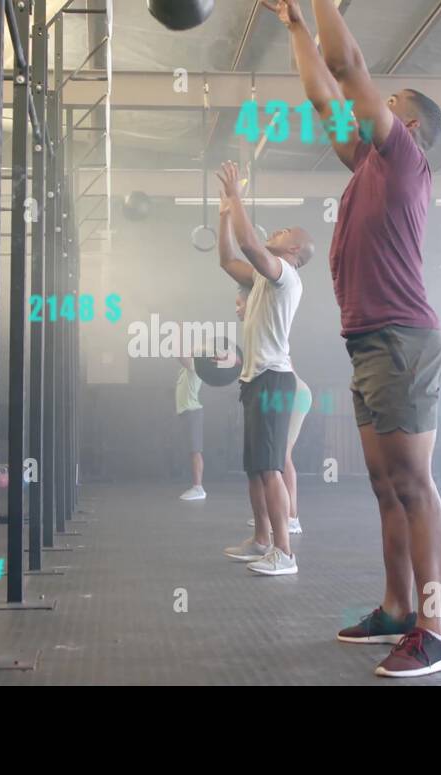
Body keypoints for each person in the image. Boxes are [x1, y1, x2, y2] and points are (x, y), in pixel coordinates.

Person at [268, 0, 441, 677]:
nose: (376, 97)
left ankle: (436, 629)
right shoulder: (367, 167)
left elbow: (346, 66)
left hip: (403, 341)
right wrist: (294, 22)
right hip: (370, 343)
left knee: (414, 482)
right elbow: (325, 94)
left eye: (390, 97)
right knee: (385, 485)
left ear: (405, 124)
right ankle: (398, 610)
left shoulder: (403, 159)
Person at [212, 161, 313, 577]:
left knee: (270, 467)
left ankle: (284, 553)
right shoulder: (260, 280)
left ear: (292, 251)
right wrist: (223, 213)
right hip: (255, 381)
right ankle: (260, 540)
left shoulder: (284, 275)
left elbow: (251, 243)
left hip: (275, 379)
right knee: (255, 468)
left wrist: (236, 195)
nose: (276, 232)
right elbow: (227, 259)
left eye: (284, 232)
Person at [239, 285, 308, 535]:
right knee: (271, 460)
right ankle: (277, 517)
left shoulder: (266, 320)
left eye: (240, 304)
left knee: (280, 457)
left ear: (254, 302)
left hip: (295, 394)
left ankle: (291, 517)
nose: (237, 309)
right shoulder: (254, 332)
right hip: (284, 391)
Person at [176, 357, 206, 500]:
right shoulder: (185, 370)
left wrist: (176, 335)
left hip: (193, 411)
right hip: (187, 412)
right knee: (192, 450)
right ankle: (196, 486)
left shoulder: (195, 365)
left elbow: (181, 356)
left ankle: (198, 488)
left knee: (195, 450)